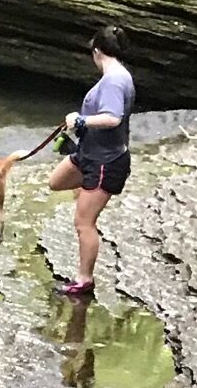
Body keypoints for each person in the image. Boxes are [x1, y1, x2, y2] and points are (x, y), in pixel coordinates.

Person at [48, 22, 136, 299]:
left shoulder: (114, 80)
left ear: (97, 51)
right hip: (88, 154)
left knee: (83, 223)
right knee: (55, 181)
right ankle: (87, 191)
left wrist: (81, 120)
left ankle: (84, 281)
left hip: (105, 162)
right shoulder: (117, 75)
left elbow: (113, 117)